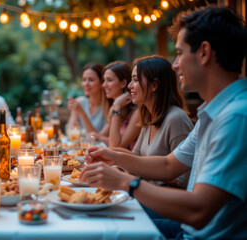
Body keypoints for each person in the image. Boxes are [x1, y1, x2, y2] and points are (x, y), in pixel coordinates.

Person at [80, 6, 247, 239]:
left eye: (179, 53)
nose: (175, 64)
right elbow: (169, 164)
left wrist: (125, 181)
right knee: (95, 219)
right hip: (187, 230)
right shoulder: (213, 112)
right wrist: (115, 157)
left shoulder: (237, 117)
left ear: (204, 52)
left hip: (195, 235)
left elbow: (199, 209)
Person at [129, 56, 193, 187]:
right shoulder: (149, 116)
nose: (130, 86)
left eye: (135, 80)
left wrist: (141, 172)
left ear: (154, 85)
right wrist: (106, 156)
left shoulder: (176, 119)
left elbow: (182, 180)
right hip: (145, 192)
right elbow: (135, 156)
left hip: (165, 202)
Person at [99, 61, 140, 149]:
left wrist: (116, 107)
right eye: (104, 80)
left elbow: (116, 146)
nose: (104, 85)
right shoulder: (114, 107)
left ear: (123, 83)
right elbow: (101, 135)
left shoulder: (137, 112)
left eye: (109, 80)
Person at [67, 63, 109, 135]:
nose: (86, 84)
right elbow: (70, 132)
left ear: (102, 82)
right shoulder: (79, 102)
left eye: (91, 80)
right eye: (84, 80)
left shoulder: (108, 106)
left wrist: (82, 113)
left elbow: (98, 137)